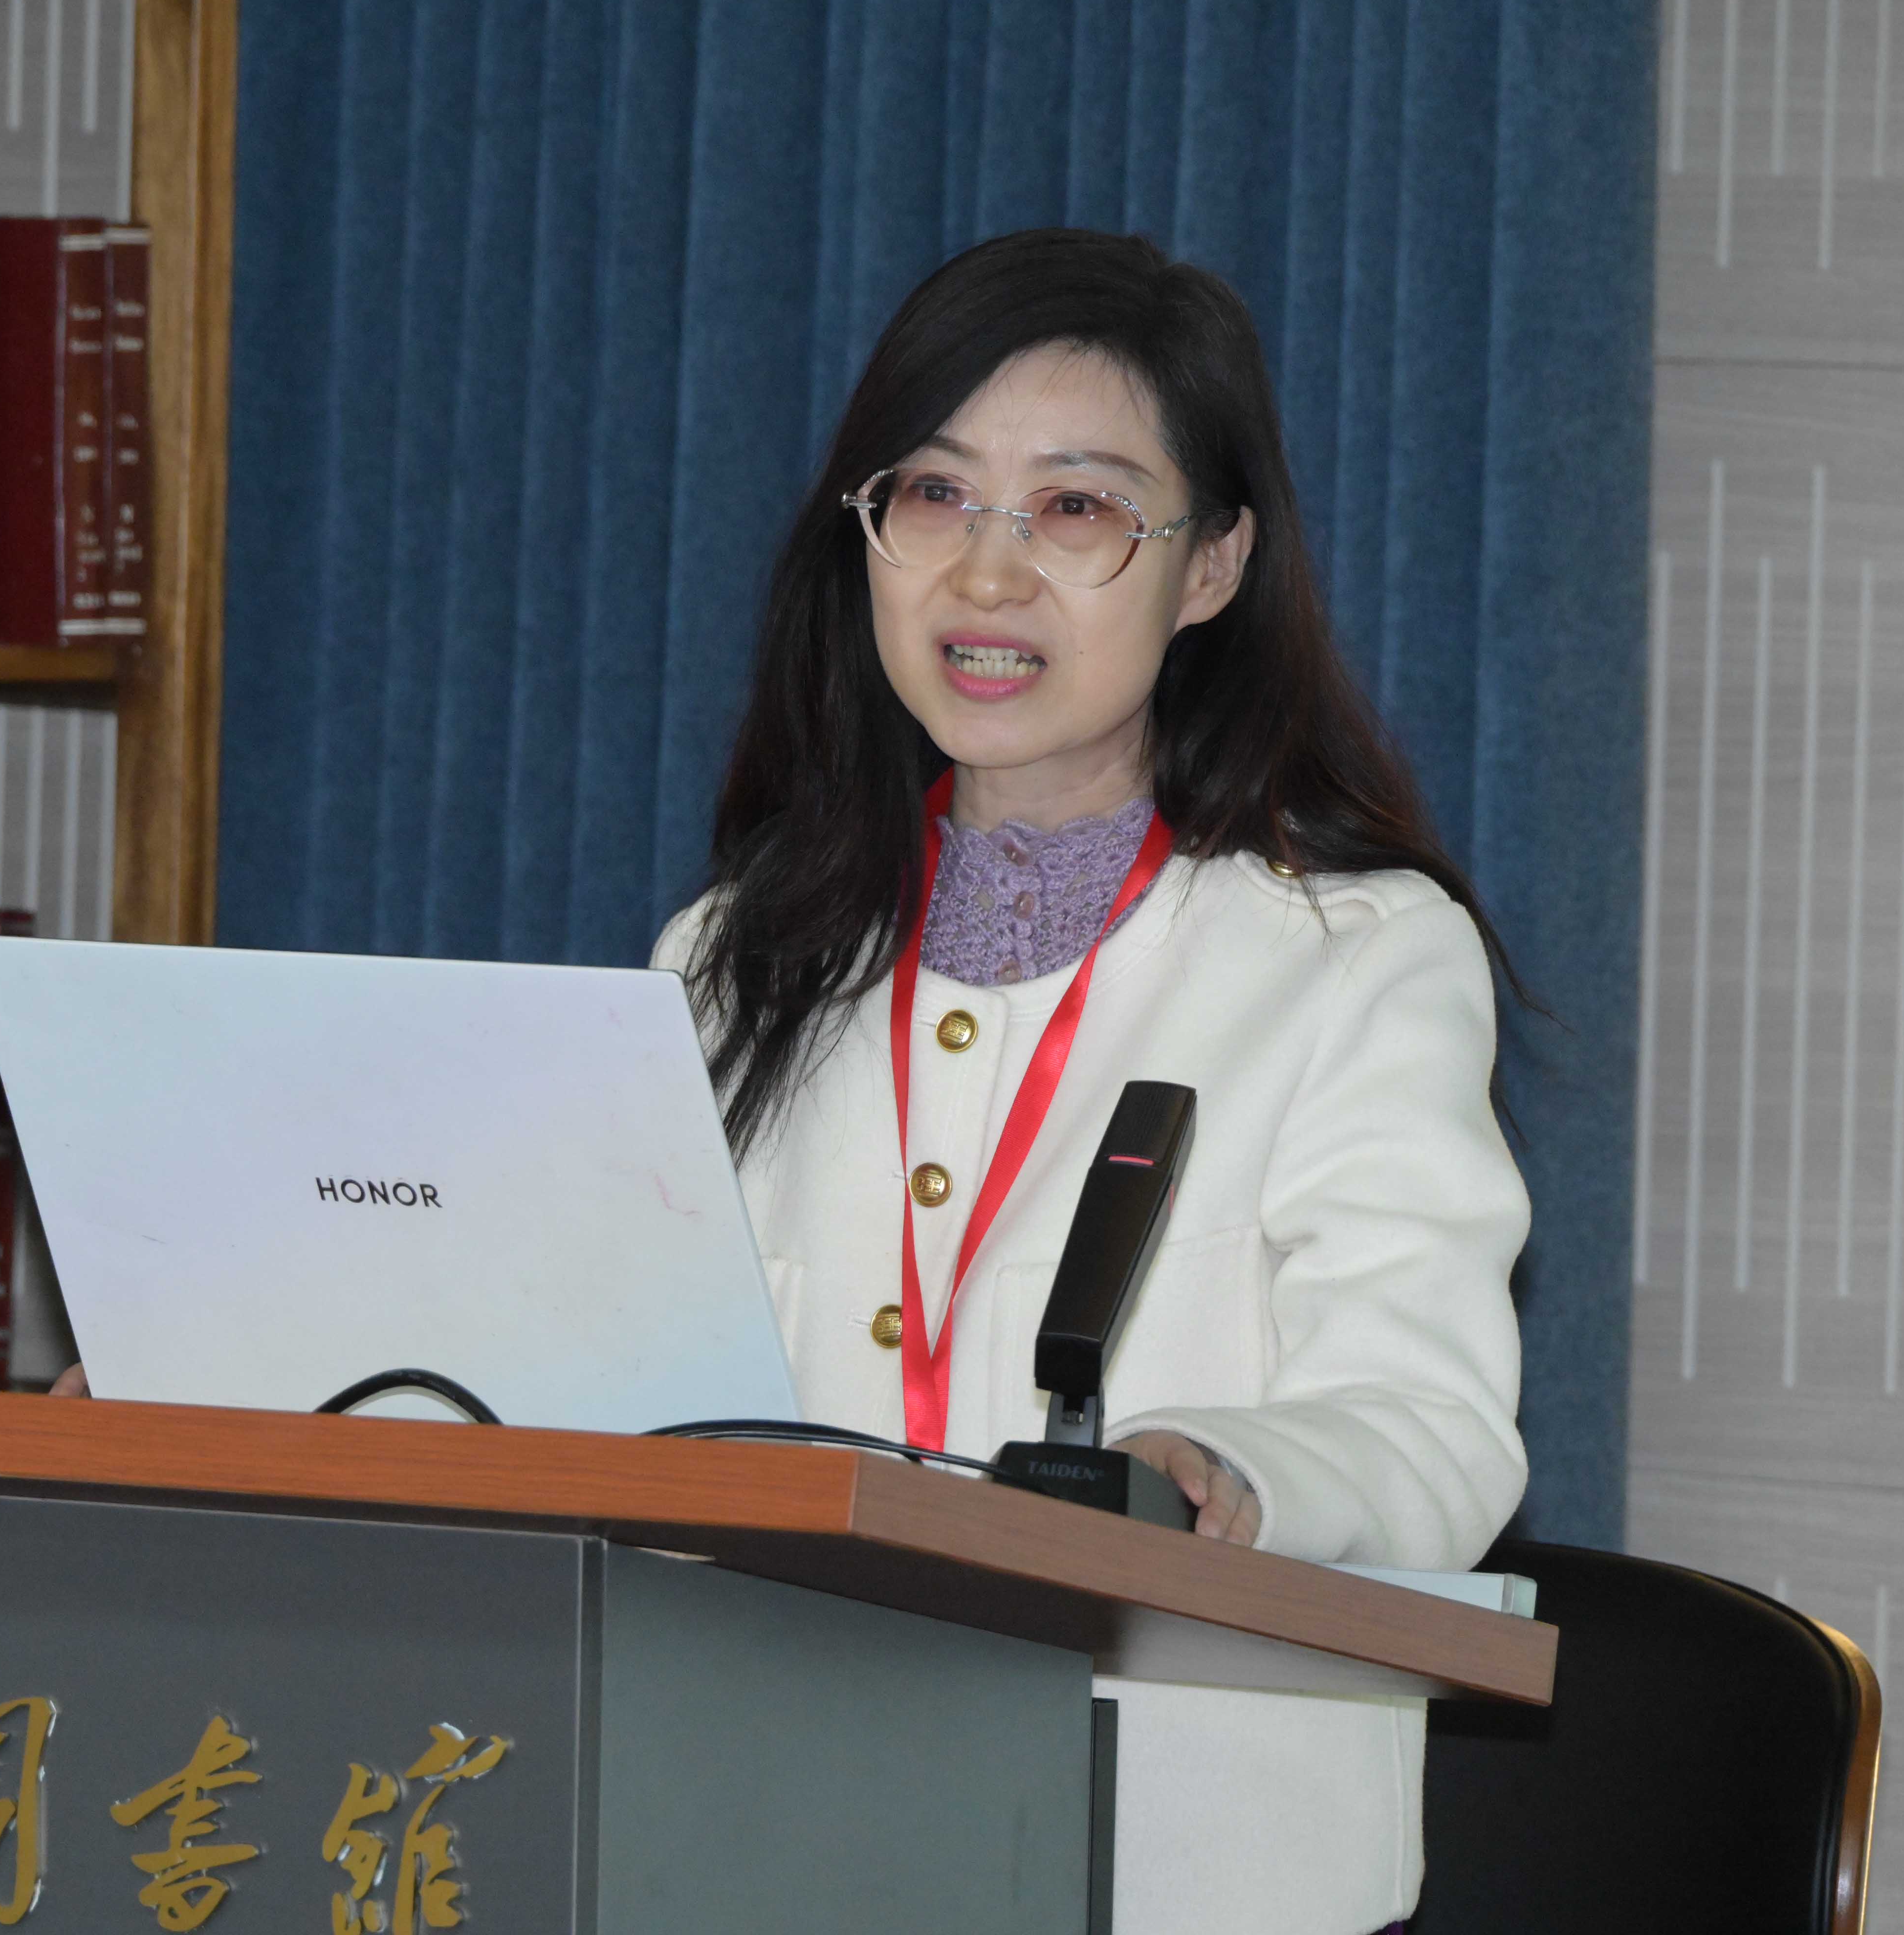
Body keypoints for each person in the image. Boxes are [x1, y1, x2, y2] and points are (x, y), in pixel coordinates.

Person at [652, 228, 1527, 1935]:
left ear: (1212, 569)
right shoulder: (731, 955)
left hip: (1181, 1863)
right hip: (759, 1829)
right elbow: (605, 1395)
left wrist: (1226, 1469)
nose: (986, 577)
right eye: (933, 496)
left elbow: (1431, 1428)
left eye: (1076, 510)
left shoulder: (1352, 959)